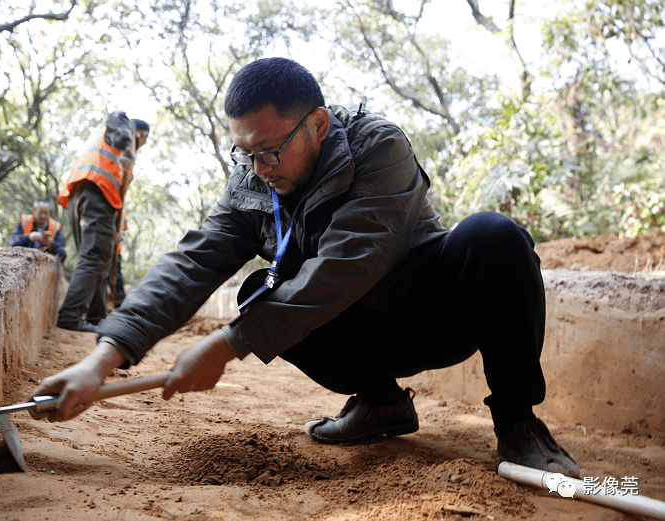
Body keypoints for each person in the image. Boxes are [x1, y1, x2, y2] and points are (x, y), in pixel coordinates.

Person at [31, 58, 581, 478]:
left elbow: (348, 263)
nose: (257, 168)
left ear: (317, 124)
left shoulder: (378, 146)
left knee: (494, 234)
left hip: (430, 315)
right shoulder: (252, 180)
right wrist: (101, 361)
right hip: (356, 334)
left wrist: (226, 345)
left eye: (269, 150)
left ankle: (518, 422)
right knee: (257, 291)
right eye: (243, 153)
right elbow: (193, 260)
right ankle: (381, 404)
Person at [55, 112, 149, 332]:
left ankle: (96, 318)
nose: (141, 145)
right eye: (143, 140)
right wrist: (128, 147)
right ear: (142, 134)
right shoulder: (125, 131)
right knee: (95, 257)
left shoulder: (120, 154)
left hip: (90, 196)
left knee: (98, 259)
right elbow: (118, 117)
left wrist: (115, 229)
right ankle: (69, 316)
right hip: (95, 192)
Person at [9, 198, 67, 263]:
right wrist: (29, 238)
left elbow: (62, 253)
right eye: (40, 212)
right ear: (33, 210)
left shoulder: (55, 226)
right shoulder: (24, 220)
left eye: (46, 213)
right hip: (23, 260)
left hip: (44, 265)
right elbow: (12, 241)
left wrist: (51, 243)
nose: (43, 216)